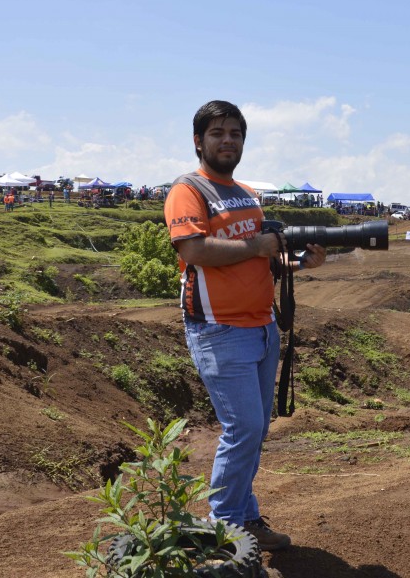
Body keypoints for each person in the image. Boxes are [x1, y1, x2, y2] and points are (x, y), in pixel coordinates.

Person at [163, 100, 327, 552]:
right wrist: (259, 245)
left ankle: (245, 516)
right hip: (219, 330)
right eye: (217, 133)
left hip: (262, 328)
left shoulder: (247, 193)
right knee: (243, 429)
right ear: (199, 141)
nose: (227, 140)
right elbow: (195, 251)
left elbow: (264, 259)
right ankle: (223, 527)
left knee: (255, 430)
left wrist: (298, 262)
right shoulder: (188, 189)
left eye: (235, 133)